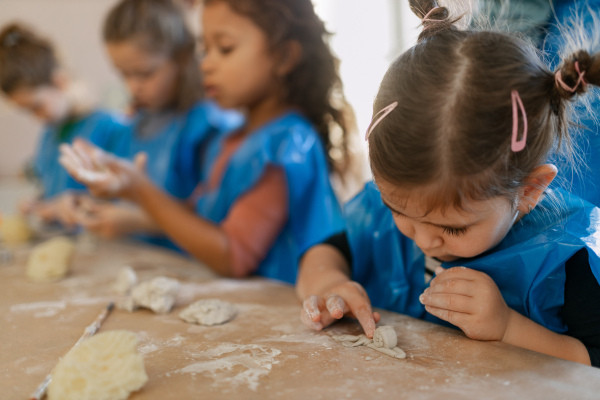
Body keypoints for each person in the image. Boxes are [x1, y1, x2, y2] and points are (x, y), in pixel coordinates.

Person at [296, 0, 600, 366]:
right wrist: (328, 285)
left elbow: (592, 362)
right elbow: (325, 252)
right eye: (399, 211)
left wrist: (507, 328)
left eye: (453, 229)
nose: (424, 240)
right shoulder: (402, 204)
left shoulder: (568, 260)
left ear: (529, 191)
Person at [59, 0, 356, 283]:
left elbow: (233, 256)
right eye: (205, 49)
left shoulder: (286, 143)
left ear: (283, 57)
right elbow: (200, 217)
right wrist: (129, 195)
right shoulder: (231, 139)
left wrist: (142, 190)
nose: (206, 64)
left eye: (224, 49)